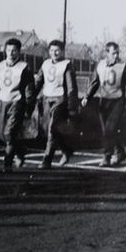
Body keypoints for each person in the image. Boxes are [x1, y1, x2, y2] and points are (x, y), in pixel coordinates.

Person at [82, 42, 126, 166]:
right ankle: (120, 152)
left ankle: (106, 156)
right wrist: (87, 97)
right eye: (113, 53)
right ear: (106, 53)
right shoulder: (100, 65)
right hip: (104, 100)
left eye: (117, 53)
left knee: (110, 129)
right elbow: (94, 83)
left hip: (118, 100)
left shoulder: (124, 66)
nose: (116, 55)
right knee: (107, 131)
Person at [0, 38, 35, 173]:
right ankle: (20, 151)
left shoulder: (24, 67)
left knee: (9, 133)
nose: (11, 53)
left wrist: (28, 107)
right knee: (2, 134)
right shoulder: (0, 66)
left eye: (14, 51)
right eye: (8, 50)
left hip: (17, 102)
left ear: (19, 52)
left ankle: (7, 164)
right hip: (2, 101)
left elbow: (29, 89)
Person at [34, 40, 79, 169]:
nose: (54, 53)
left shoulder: (67, 65)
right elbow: (39, 82)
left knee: (52, 129)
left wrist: (71, 107)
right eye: (52, 50)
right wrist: (31, 97)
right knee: (49, 129)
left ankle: (47, 159)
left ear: (63, 51)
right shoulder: (45, 64)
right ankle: (66, 150)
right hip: (47, 98)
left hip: (60, 99)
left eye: (57, 50)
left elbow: (71, 88)